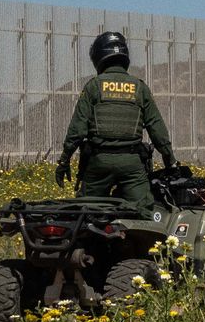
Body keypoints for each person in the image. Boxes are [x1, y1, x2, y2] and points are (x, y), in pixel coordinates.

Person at [55, 31, 176, 212]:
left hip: (98, 163)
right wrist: (170, 162)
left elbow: (77, 131)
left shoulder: (94, 86)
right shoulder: (139, 88)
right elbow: (157, 130)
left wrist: (64, 161)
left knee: (87, 212)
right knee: (143, 212)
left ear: (98, 57)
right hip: (132, 165)